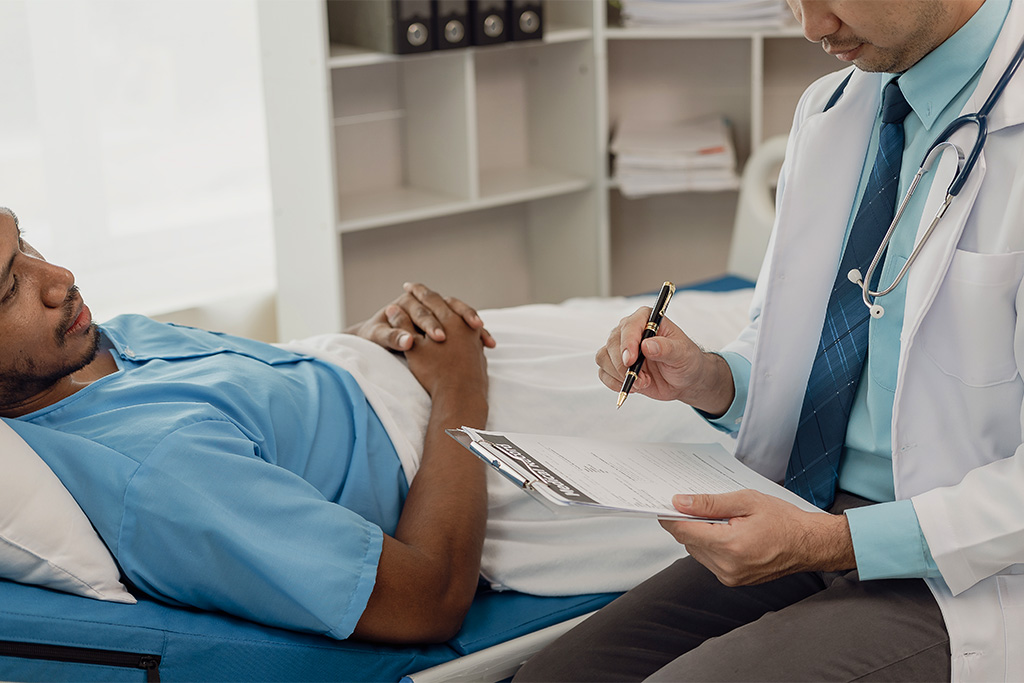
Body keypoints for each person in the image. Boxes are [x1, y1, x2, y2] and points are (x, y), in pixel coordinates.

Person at [516, 1, 1024, 681]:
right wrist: (710, 377)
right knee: (558, 676)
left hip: (974, 566)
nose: (810, 25)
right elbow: (800, 349)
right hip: (815, 514)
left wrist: (833, 541)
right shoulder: (833, 110)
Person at [0, 204, 735, 645]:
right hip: (473, 458)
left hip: (440, 376)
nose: (58, 276)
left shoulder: (101, 341)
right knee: (776, 442)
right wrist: (460, 396)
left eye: (26, 243)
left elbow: (271, 398)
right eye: (10, 287)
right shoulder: (154, 475)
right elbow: (426, 601)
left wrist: (371, 336)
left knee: (745, 339)